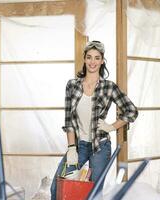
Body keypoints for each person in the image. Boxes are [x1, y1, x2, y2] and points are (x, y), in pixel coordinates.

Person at [50, 40, 138, 200]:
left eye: (97, 58)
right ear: (84, 58)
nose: (92, 62)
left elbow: (131, 111)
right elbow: (69, 120)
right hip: (79, 145)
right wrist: (71, 148)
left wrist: (112, 126)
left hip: (101, 146)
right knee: (57, 186)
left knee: (94, 194)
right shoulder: (72, 85)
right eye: (89, 57)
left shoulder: (109, 87)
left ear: (102, 60)